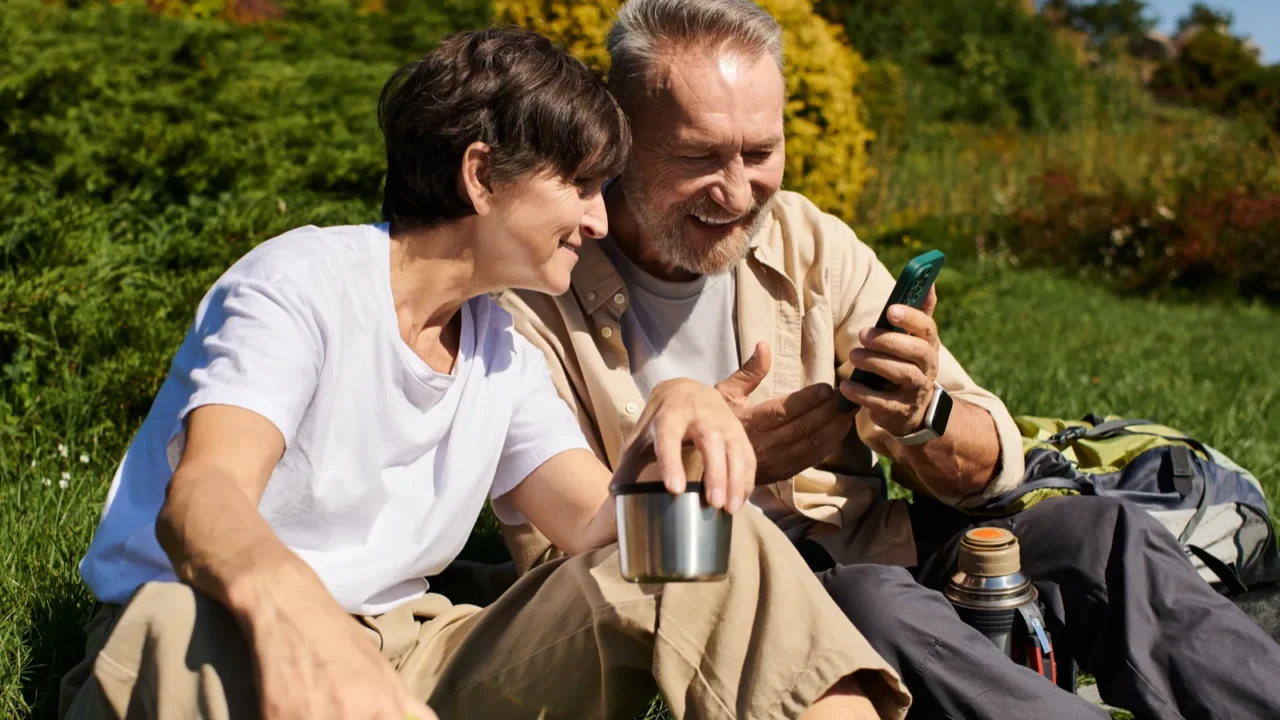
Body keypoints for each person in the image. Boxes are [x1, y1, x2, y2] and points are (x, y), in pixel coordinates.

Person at [57, 27, 912, 720]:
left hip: (413, 650)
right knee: (174, 619)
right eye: (579, 185)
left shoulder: (495, 344)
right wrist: (301, 624)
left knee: (703, 551)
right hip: (222, 634)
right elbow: (201, 497)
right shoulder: (300, 284)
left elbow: (597, 530)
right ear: (480, 176)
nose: (596, 216)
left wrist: (676, 414)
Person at [491, 1, 1280, 719]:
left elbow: (991, 472)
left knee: (1098, 533)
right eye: (701, 157)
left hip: (876, 551)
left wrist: (923, 417)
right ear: (620, 137)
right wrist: (712, 470)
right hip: (727, 602)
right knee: (874, 605)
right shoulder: (533, 294)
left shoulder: (808, 241)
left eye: (760, 152)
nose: (736, 192)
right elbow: (572, 567)